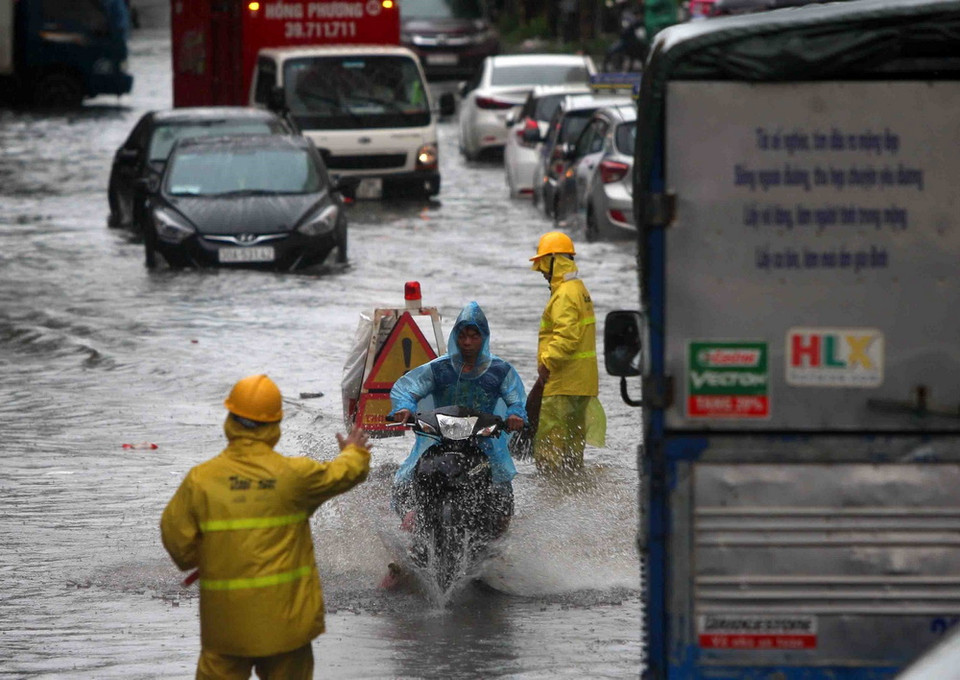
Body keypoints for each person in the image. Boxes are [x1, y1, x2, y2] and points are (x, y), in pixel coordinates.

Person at [160, 374, 371, 680]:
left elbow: (176, 540)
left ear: (230, 418)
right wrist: (354, 451)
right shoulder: (293, 476)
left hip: (225, 628)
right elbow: (344, 473)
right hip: (287, 627)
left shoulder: (200, 480)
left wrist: (209, 556)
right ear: (274, 424)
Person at [388, 302, 526, 540]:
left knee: (503, 501)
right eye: (462, 336)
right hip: (439, 440)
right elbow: (408, 389)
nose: (468, 343)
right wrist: (404, 408)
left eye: (474, 336)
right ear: (455, 337)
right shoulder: (440, 369)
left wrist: (515, 416)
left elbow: (516, 399)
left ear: (484, 337)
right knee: (405, 485)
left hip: (483, 444)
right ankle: (408, 548)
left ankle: (495, 553)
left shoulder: (500, 371)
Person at [529, 231, 607, 473]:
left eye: (543, 264)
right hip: (581, 384)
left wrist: (546, 363)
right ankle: (572, 496)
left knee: (549, 452)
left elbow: (567, 336)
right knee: (572, 451)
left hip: (562, 383)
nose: (541, 271)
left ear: (554, 260)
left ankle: (553, 500)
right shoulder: (579, 290)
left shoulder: (563, 295)